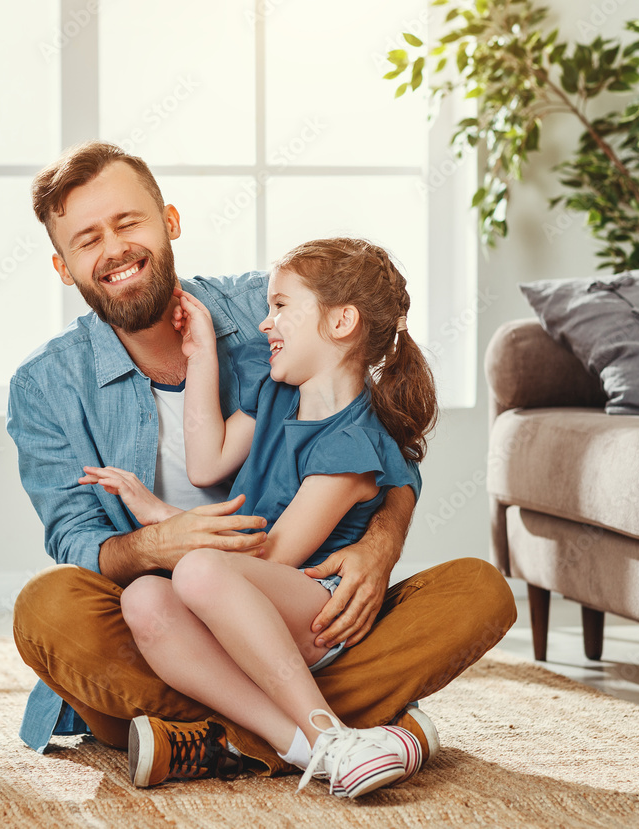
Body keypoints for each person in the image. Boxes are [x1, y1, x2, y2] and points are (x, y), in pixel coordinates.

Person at [7, 140, 516, 788]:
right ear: (63, 266)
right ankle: (338, 732)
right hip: (164, 616)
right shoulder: (44, 385)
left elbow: (378, 425)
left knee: (477, 589)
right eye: (87, 239)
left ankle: (201, 740)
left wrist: (379, 546)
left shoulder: (267, 309)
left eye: (128, 222)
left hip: (293, 598)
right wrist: (160, 538)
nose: (114, 248)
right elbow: (77, 537)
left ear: (170, 222)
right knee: (51, 608)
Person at [77, 237, 440, 797]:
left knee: (197, 571)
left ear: (342, 320)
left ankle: (325, 728)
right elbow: (207, 462)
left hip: (313, 608)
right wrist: (200, 355)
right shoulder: (274, 389)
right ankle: (305, 747)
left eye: (281, 306)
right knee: (141, 600)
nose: (265, 322)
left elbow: (270, 555)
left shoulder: (350, 448)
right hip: (244, 591)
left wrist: (161, 518)